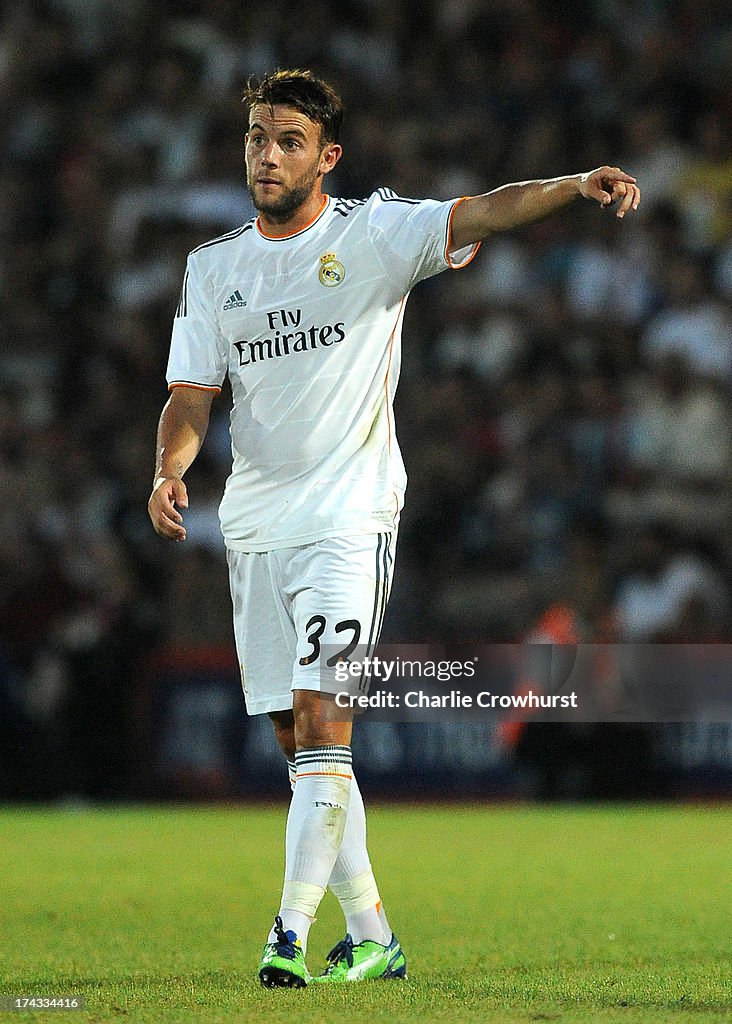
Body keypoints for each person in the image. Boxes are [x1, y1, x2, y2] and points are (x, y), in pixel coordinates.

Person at [148, 68, 640, 988]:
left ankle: (286, 937)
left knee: (324, 719)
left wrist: (573, 186)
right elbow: (189, 394)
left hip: (348, 517)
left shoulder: (373, 234)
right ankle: (373, 932)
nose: (266, 154)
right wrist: (170, 469)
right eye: (257, 136)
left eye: (287, 140)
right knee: (298, 745)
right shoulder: (214, 268)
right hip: (255, 530)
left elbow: (485, 211)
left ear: (326, 157)